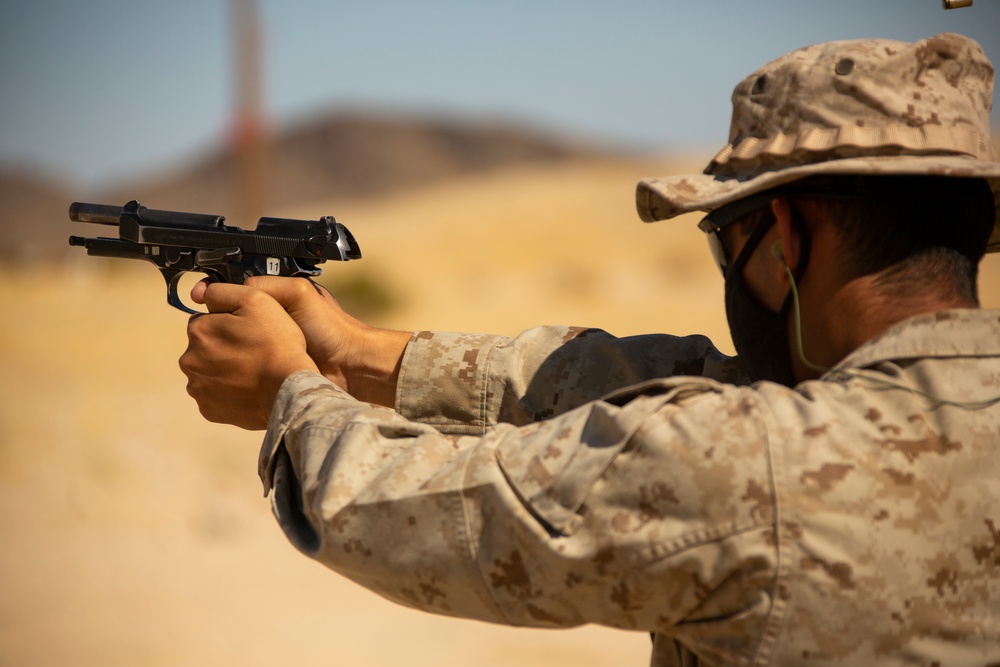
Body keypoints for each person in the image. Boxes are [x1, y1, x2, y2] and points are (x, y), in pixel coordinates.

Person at [180, 33, 1000, 665]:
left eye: (730, 239)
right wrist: (361, 353)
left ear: (785, 237)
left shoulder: (760, 466)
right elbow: (676, 384)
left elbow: (409, 510)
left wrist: (289, 394)